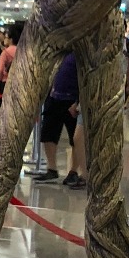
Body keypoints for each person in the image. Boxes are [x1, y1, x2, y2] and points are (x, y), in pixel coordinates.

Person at [36, 53, 86, 187]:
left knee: (74, 137)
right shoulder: (60, 52)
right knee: (48, 133)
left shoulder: (80, 53)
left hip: (72, 98)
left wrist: (78, 101)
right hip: (54, 96)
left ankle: (73, 171)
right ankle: (51, 168)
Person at [0, 19, 23, 94]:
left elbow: (0, 70)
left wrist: (0, 78)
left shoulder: (5, 53)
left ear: (11, 39)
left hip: (6, 81)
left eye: (6, 37)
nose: (4, 39)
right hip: (19, 82)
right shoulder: (22, 50)